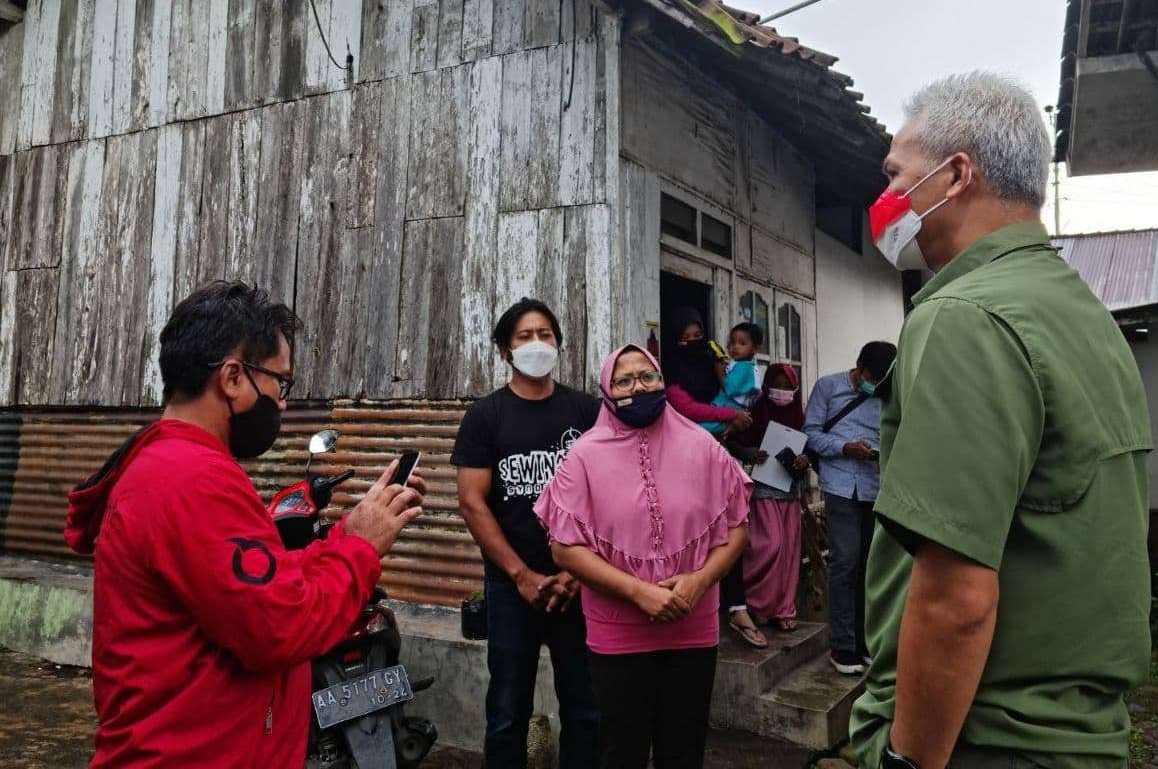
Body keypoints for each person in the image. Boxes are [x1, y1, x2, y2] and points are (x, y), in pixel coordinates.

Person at [849, 72, 1152, 769]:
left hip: (980, 741)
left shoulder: (964, 317)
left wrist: (907, 759)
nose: (886, 199)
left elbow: (956, 598)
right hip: (1077, 735)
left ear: (956, 175)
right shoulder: (1079, 313)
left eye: (897, 175)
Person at [63, 281, 426, 768]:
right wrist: (360, 548)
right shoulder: (190, 479)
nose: (282, 404)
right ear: (233, 377)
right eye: (282, 383)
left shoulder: (173, 466)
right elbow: (280, 628)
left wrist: (348, 534)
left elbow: (261, 588)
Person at [535, 344, 751, 769]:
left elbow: (737, 527)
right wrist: (638, 592)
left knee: (684, 749)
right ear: (607, 390)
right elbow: (564, 547)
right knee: (621, 750)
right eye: (624, 380)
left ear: (661, 381)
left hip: (693, 620)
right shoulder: (584, 456)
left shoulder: (702, 447)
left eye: (647, 376)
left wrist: (700, 580)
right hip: (617, 631)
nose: (638, 386)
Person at [452, 298, 601, 769]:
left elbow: (609, 497)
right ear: (504, 351)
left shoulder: (587, 411)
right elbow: (473, 502)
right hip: (510, 585)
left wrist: (581, 572)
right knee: (506, 711)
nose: (537, 344)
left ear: (558, 342)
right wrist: (521, 575)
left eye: (545, 334)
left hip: (580, 582)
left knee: (585, 707)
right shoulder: (485, 416)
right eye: (524, 336)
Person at [804, 340, 896, 675]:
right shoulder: (828, 387)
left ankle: (863, 642)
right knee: (845, 562)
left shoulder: (886, 394)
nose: (873, 383)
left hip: (874, 487)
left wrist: (876, 452)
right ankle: (842, 646)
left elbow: (893, 434)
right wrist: (844, 447)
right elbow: (811, 434)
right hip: (841, 485)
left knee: (870, 568)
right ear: (859, 367)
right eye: (870, 376)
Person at [727, 363, 810, 634]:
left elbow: (811, 450)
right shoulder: (755, 412)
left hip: (790, 490)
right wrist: (750, 453)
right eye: (777, 385)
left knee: (788, 552)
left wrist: (804, 459)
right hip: (762, 487)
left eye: (788, 387)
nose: (782, 391)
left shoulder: (800, 415)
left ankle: (783, 609)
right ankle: (752, 602)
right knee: (769, 546)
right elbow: (730, 439)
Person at [661, 306, 750, 434]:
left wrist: (721, 372)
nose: (693, 341)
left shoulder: (709, 361)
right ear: (675, 338)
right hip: (686, 436)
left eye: (697, 335)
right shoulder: (671, 368)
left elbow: (731, 393)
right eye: (685, 337)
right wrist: (732, 415)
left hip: (717, 437)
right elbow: (688, 409)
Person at [707, 322, 766, 432]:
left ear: (755, 349)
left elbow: (729, 388)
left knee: (701, 429)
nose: (735, 347)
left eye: (742, 343)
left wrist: (719, 371)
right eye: (732, 342)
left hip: (728, 410)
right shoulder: (741, 365)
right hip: (729, 411)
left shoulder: (745, 367)